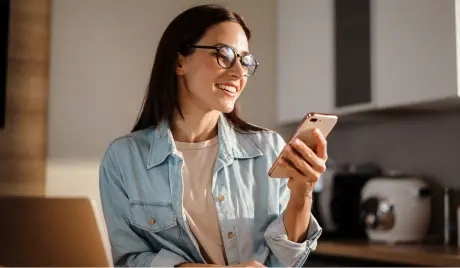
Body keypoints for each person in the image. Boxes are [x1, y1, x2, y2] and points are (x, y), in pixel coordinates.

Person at [99, 4, 327, 267]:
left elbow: (288, 260)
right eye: (225, 54)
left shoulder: (269, 148)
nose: (239, 72)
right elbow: (129, 260)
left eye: (245, 60)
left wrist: (302, 194)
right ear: (180, 61)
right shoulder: (124, 159)